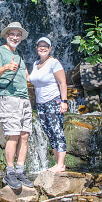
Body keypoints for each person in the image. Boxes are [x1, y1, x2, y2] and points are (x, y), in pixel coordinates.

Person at [0, 21, 34, 189]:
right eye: (12, 34)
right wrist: (6, 67)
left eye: (18, 34)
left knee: (24, 135)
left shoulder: (20, 56)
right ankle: (10, 172)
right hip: (8, 97)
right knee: (13, 135)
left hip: (24, 98)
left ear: (20, 37)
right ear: (6, 35)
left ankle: (21, 170)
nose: (15, 37)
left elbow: (28, 78)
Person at [28, 37, 68, 172]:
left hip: (53, 101)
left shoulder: (54, 63)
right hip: (40, 104)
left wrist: (64, 101)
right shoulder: (35, 64)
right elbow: (31, 79)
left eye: (46, 46)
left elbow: (63, 82)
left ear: (50, 48)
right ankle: (58, 163)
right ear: (37, 48)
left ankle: (61, 164)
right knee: (50, 133)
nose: (43, 48)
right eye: (40, 45)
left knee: (57, 131)